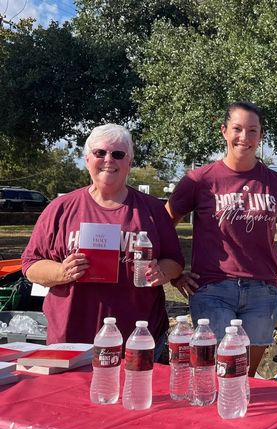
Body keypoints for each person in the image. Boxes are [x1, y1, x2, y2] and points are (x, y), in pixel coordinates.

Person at [166, 102, 277, 376]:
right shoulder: (200, 180)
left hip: (262, 293)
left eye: (253, 131)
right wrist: (176, 273)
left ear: (261, 135)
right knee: (222, 373)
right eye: (237, 129)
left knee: (246, 378)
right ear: (224, 131)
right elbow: (163, 224)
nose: (245, 137)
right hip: (212, 290)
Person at [22, 124, 184, 352]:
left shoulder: (151, 210)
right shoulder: (60, 208)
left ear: (129, 162)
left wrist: (162, 272)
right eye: (100, 153)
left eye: (118, 154)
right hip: (72, 335)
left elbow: (175, 261)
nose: (109, 160)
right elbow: (30, 265)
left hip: (139, 336)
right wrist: (61, 272)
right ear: (87, 159)